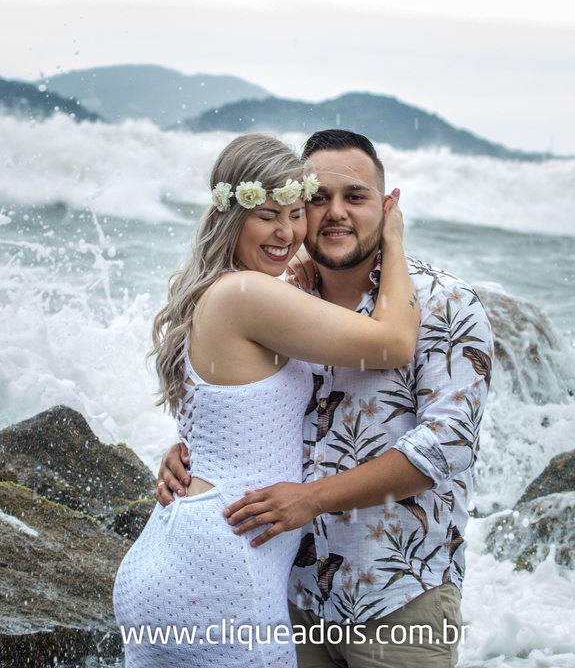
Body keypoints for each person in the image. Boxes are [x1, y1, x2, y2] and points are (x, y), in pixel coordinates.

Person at [158, 129, 494, 668]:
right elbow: (248, 409)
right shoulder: (282, 297)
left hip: (397, 594)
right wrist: (190, 454)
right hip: (291, 592)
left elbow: (445, 447)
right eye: (318, 199)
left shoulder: (445, 304)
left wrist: (312, 499)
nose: (335, 213)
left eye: (356, 197)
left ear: (386, 207)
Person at [114, 133, 420, 667]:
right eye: (268, 216)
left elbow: (228, 416)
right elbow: (393, 343)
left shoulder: (226, 289)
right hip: (226, 567)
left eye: (296, 213)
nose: (287, 232)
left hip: (179, 553)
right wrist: (393, 240)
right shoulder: (247, 294)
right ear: (232, 217)